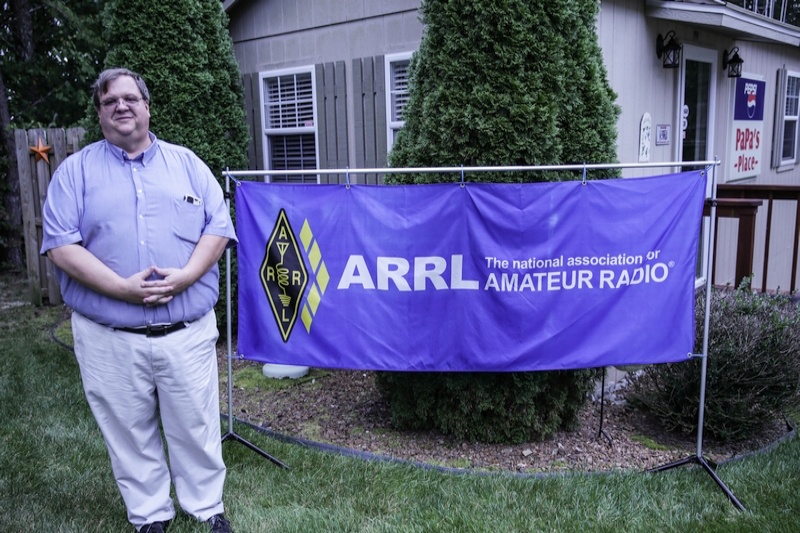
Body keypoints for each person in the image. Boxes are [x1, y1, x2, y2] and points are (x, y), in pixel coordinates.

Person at [40, 68, 237, 533]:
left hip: (185, 334)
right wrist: (121, 289)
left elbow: (218, 227)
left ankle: (206, 507)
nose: (121, 107)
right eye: (110, 101)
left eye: (130, 98)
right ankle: (150, 514)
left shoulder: (188, 164)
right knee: (127, 429)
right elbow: (61, 246)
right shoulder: (75, 173)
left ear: (147, 106)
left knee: (196, 424)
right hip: (109, 336)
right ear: (100, 113)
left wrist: (187, 276)